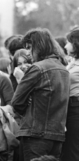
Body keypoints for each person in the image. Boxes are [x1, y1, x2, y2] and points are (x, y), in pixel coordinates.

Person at [11, 28, 70, 161]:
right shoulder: (63, 69)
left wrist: (21, 80)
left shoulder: (38, 68)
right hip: (57, 135)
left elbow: (17, 102)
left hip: (36, 134)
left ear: (39, 46)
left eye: (29, 47)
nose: (27, 52)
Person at [61, 27, 79, 161]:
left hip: (76, 107)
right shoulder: (73, 62)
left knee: (73, 150)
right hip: (69, 108)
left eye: (68, 42)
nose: (65, 46)